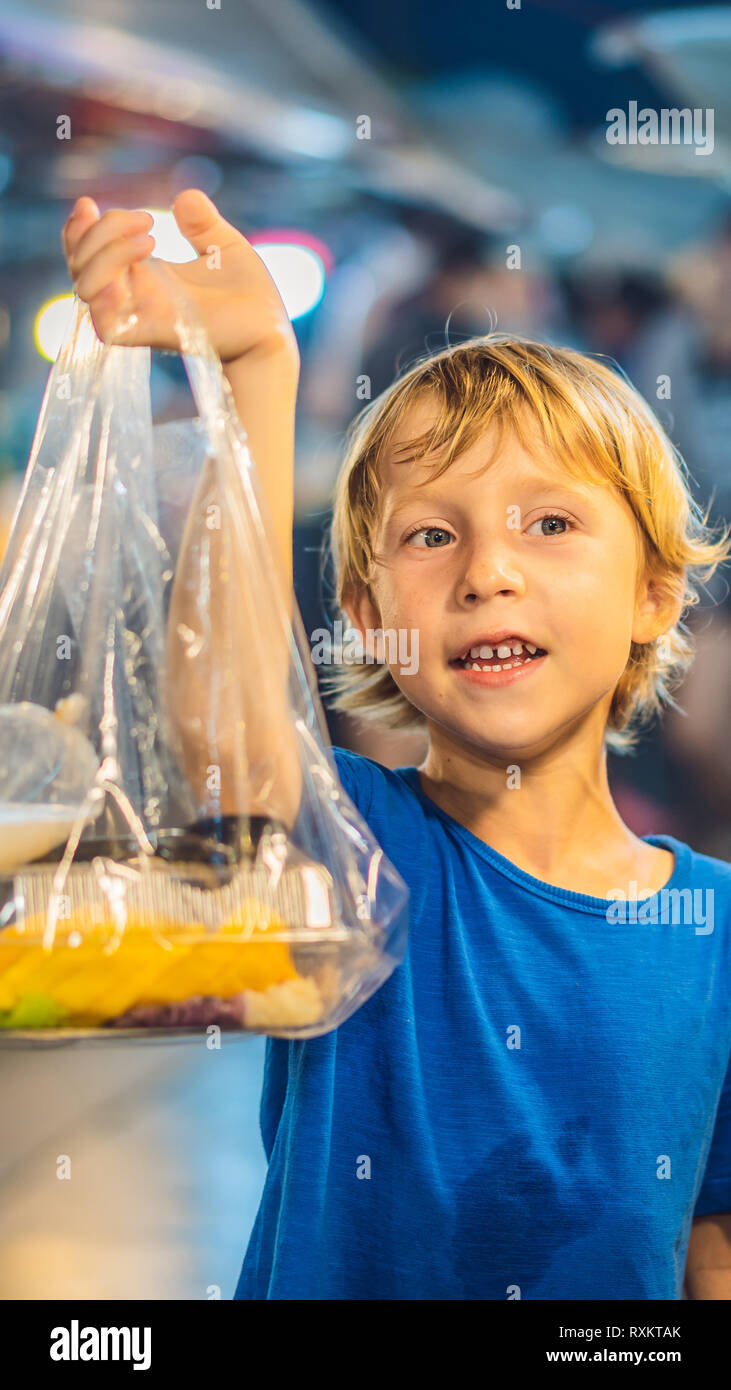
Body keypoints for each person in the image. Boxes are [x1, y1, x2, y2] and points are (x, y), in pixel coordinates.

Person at [63, 192, 731, 1301]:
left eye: (549, 523)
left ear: (655, 593)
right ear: (367, 616)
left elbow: (709, 1248)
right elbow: (230, 736)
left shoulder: (713, 933)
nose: (487, 571)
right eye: (430, 535)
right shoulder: (356, 852)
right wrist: (252, 370)